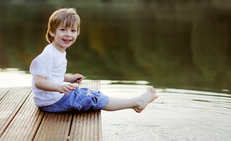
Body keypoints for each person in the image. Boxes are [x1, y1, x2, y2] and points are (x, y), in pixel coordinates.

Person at [29, 8, 158, 113]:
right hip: (53, 103)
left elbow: (51, 75)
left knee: (89, 93)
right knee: (95, 99)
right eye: (63, 30)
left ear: (78, 33)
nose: (68, 34)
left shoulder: (57, 51)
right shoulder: (49, 54)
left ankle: (135, 104)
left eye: (73, 30)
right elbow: (39, 82)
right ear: (52, 32)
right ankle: (137, 102)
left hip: (53, 100)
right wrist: (59, 87)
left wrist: (69, 79)